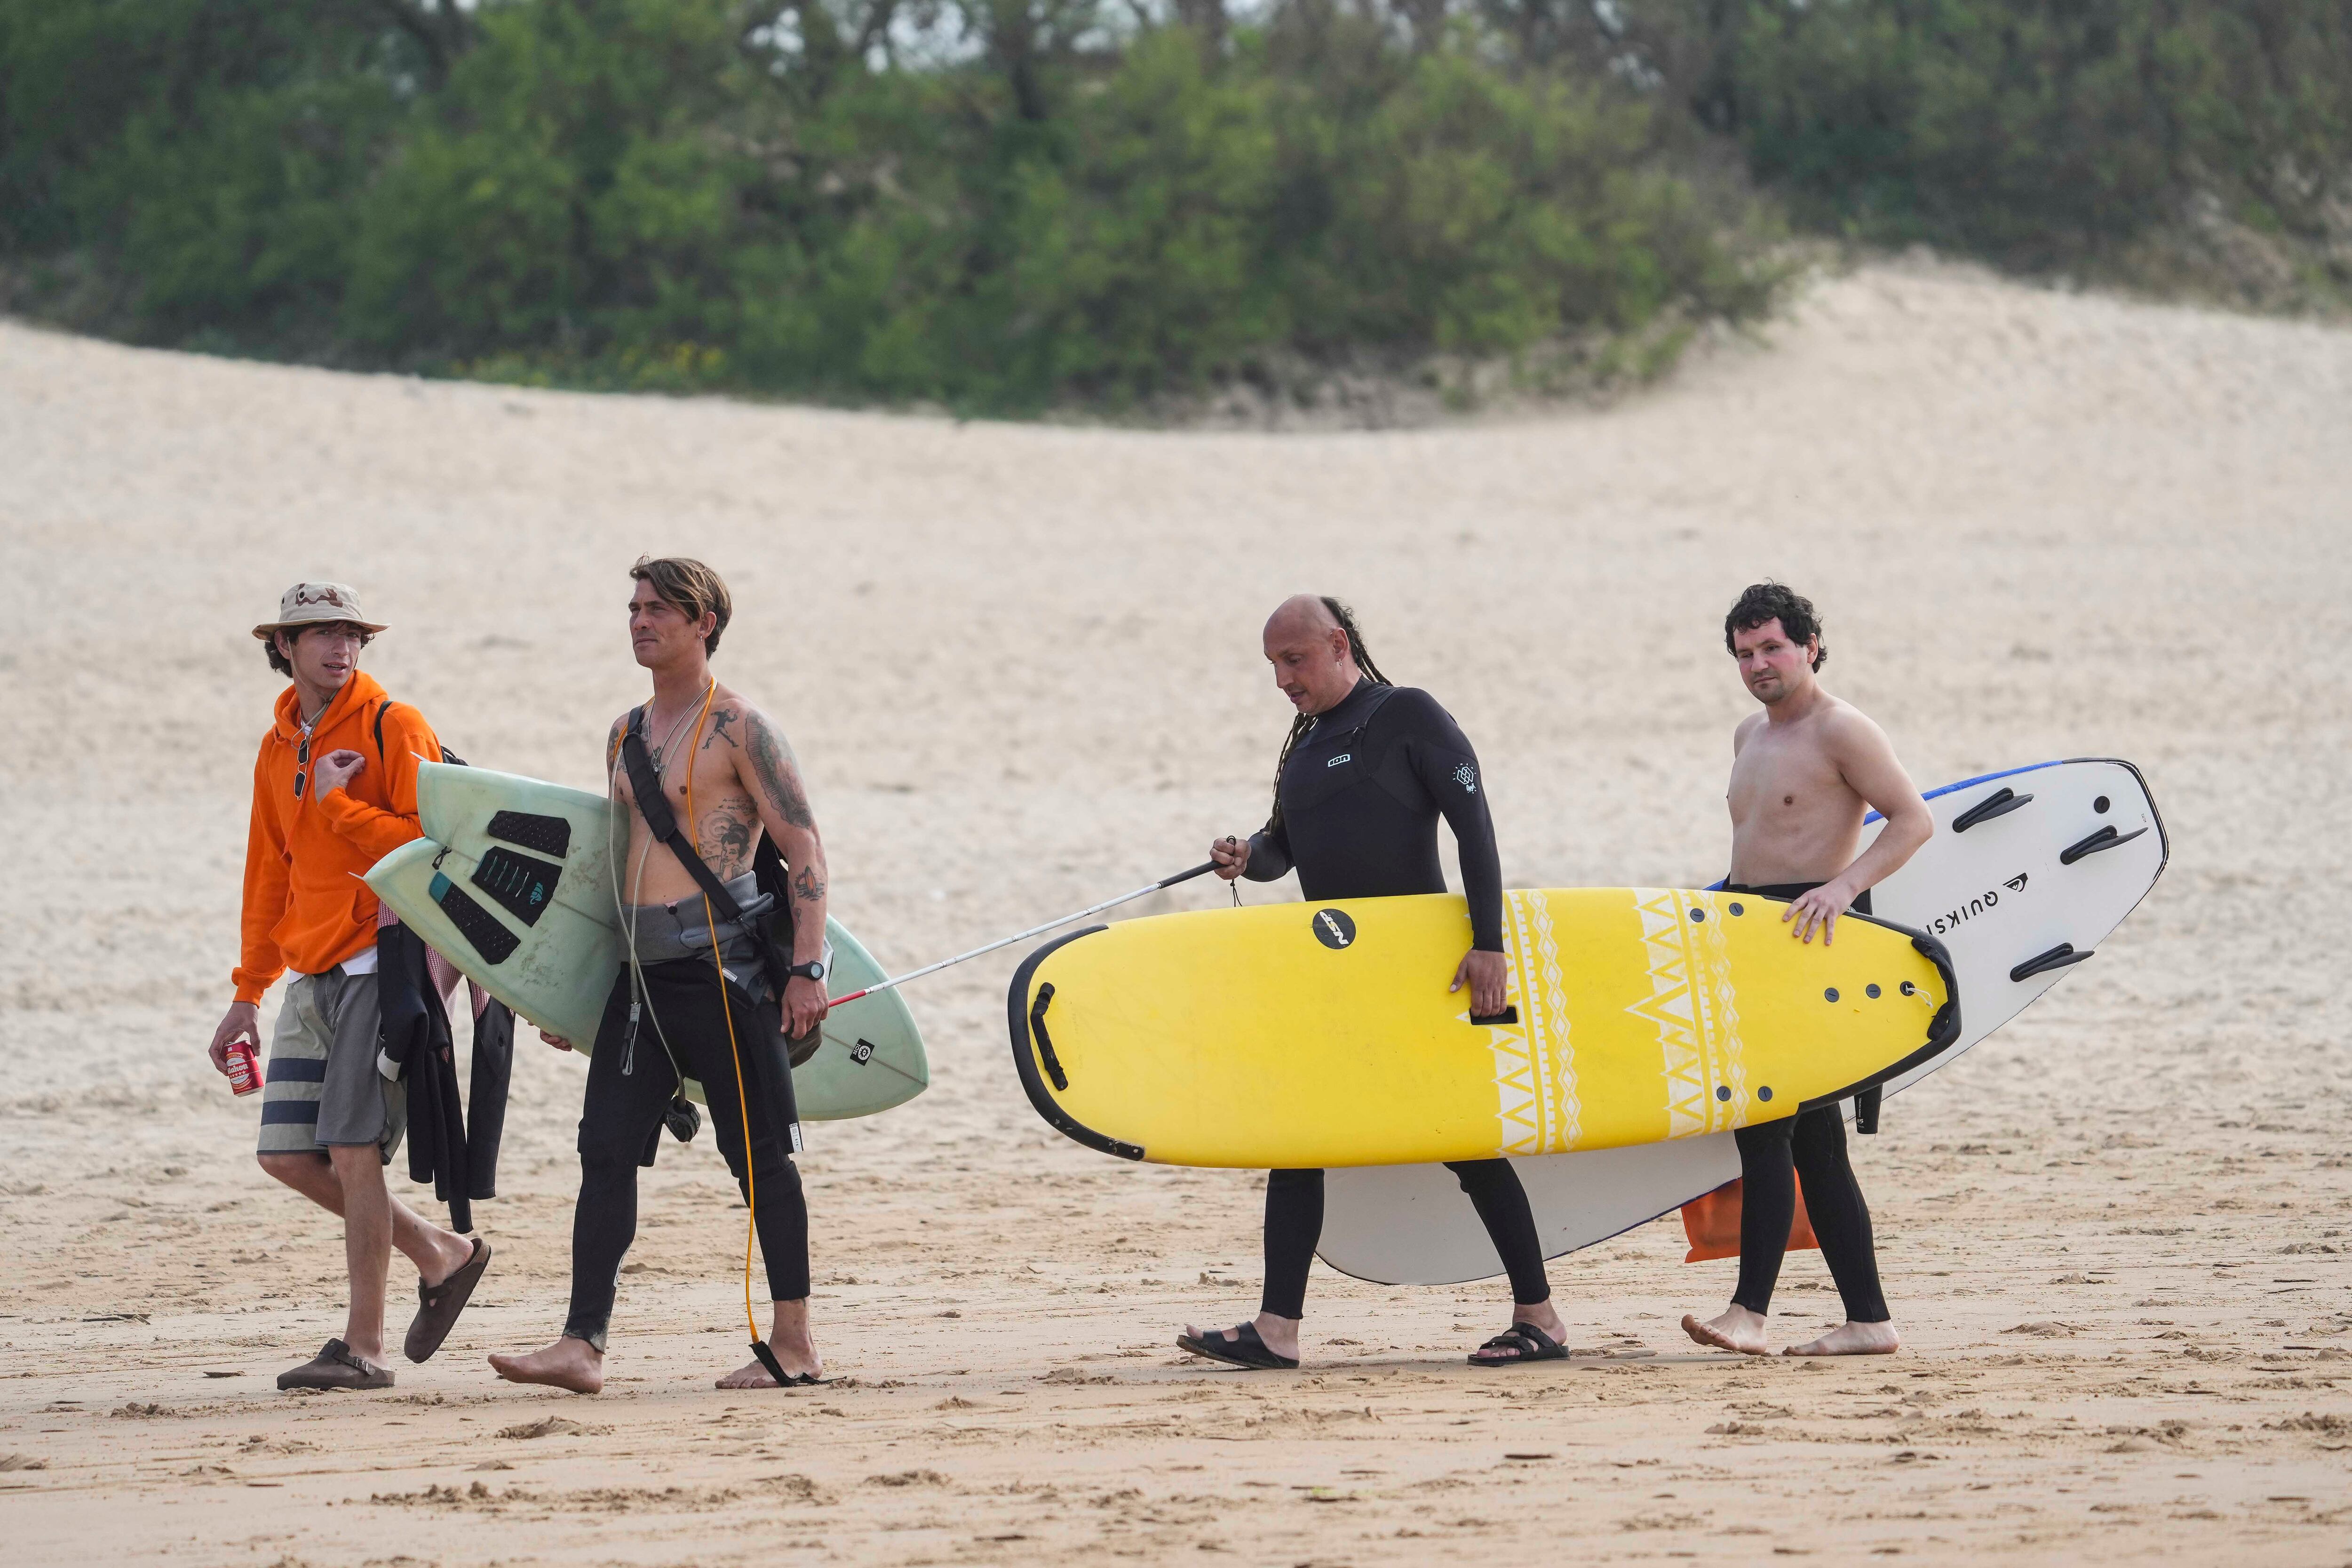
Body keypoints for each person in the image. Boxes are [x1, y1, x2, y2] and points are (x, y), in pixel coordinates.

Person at [1178, 595, 1572, 1370]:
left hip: (1416, 971)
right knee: (1301, 1139)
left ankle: (1542, 1317)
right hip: (1338, 976)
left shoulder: (1408, 716)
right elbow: (1283, 852)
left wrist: (1488, 944)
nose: (1283, 680)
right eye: (1273, 667)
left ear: (1338, 643)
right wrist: (1243, 856)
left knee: (1465, 1141)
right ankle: (1277, 1328)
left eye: (1294, 661)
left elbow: (1476, 828)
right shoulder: (1304, 744)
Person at [490, 557, 834, 1394]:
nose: (640, 621)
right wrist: (563, 989)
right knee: (604, 1151)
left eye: (659, 610)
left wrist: (806, 969)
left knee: (761, 1160)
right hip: (640, 984)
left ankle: (795, 1343)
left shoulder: (742, 729)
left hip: (726, 975)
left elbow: (805, 852)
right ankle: (583, 1345)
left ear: (703, 622)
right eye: (635, 607)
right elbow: (609, 867)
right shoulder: (625, 733)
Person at [211, 582, 490, 1392]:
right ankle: (441, 1252)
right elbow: (270, 871)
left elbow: (437, 844)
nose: (341, 648)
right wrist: (247, 989)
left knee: (352, 1147)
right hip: (310, 970)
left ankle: (361, 1346)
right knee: (287, 1154)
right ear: (284, 648)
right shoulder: (275, 748)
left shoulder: (392, 725)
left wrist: (339, 806)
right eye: (322, 635)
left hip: (384, 958)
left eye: (352, 635)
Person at [1680, 582, 1934, 1358]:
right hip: (1752, 936)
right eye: (1745, 652)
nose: (1758, 664)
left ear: (1810, 646)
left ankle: (1748, 1316)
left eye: (1772, 648)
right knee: (1816, 1144)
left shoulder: (1843, 731)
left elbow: (1914, 818)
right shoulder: (1746, 736)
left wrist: (1845, 885)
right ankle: (1869, 1320)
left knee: (1766, 1126)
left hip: (1811, 939)